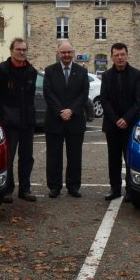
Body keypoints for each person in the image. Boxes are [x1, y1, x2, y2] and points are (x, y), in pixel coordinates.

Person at [0, 38, 38, 202]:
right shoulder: (0, 71)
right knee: (8, 158)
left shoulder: (31, 71)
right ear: (11, 51)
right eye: (18, 49)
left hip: (27, 122)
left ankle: (25, 189)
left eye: (24, 49)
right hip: (9, 123)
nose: (22, 52)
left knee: (27, 158)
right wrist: (2, 115)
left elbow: (30, 97)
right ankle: (7, 190)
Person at [43, 41, 89, 198]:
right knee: (54, 157)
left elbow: (84, 94)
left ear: (74, 52)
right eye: (63, 52)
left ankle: (73, 186)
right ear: (58, 53)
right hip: (55, 120)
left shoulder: (82, 72)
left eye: (69, 52)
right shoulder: (49, 71)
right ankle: (54, 187)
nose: (66, 55)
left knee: (75, 157)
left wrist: (72, 110)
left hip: (75, 120)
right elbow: (48, 94)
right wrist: (61, 111)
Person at [100, 43, 140, 201]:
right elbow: (104, 100)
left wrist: (125, 119)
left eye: (122, 54)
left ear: (127, 55)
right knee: (114, 159)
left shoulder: (137, 74)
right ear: (112, 56)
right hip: (112, 125)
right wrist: (116, 119)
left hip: (130, 125)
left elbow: (138, 102)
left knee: (130, 159)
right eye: (116, 55)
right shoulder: (106, 76)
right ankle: (115, 189)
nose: (120, 58)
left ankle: (131, 190)